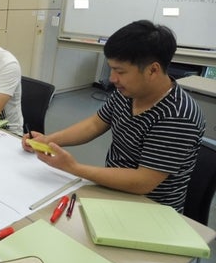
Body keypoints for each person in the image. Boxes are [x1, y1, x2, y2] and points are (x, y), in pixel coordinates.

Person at [22, 20, 205, 212]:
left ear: (153, 70)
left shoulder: (178, 116)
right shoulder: (127, 92)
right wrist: (48, 141)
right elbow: (94, 124)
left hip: (150, 208)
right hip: (113, 190)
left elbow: (143, 182)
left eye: (120, 71)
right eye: (112, 68)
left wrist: (73, 167)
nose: (112, 78)